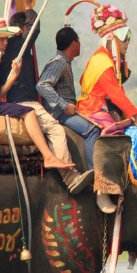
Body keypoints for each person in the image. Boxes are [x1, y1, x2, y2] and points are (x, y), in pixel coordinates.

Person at [0, 17, 76, 176]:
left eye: (6, 38)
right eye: (1, 39)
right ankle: (48, 157)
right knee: (29, 112)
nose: (6, 42)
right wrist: (15, 75)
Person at [77, 3, 137, 132]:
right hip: (94, 108)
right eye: (123, 39)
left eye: (128, 38)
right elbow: (115, 93)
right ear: (111, 38)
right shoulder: (102, 62)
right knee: (116, 135)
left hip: (105, 106)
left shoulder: (105, 58)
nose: (127, 42)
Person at [37, 25, 102, 170]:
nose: (79, 45)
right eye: (78, 41)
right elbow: (42, 85)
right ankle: (94, 172)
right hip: (59, 113)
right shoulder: (59, 61)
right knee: (92, 130)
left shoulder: (64, 61)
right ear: (74, 43)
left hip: (65, 110)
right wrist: (64, 106)